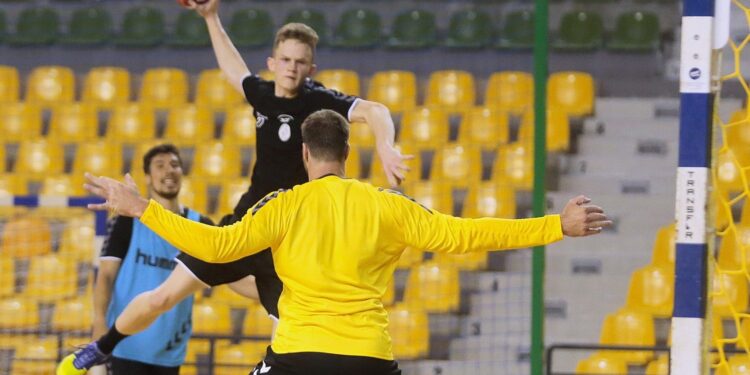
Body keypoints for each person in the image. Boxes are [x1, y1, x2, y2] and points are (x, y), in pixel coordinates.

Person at [76, 110, 612, 375]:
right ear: (348, 152)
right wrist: (553, 226)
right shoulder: (388, 205)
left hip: (298, 356)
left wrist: (140, 207)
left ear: (306, 154)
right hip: (369, 359)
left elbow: (217, 248)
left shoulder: (284, 204)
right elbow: (467, 234)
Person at [58, 0, 408, 372]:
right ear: (273, 63)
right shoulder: (261, 94)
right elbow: (233, 69)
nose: (291, 68)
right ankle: (101, 347)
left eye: (300, 61)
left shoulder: (319, 100)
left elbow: (375, 111)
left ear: (311, 67)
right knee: (164, 296)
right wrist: (211, 17)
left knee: (289, 334)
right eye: (285, 60)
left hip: (285, 241)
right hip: (244, 228)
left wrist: (386, 144)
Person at [83, 144, 221, 375]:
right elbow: (105, 276)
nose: (169, 171)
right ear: (147, 177)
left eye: (174, 165)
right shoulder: (126, 221)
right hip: (124, 346)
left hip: (169, 350)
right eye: (160, 166)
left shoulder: (200, 225)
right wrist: (99, 321)